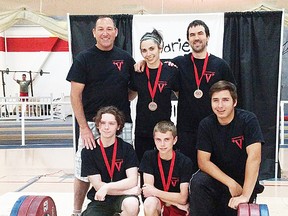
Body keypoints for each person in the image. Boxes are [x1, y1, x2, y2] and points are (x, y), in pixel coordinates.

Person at [135, 20, 236, 173]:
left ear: (208, 37)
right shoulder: (178, 63)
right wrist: (142, 61)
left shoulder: (220, 65)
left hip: (214, 128)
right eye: (192, 34)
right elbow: (155, 63)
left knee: (215, 170)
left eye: (200, 33)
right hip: (186, 131)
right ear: (188, 39)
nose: (196, 38)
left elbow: (232, 95)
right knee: (187, 172)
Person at [66, 16, 135, 216]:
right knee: (82, 171)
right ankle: (77, 211)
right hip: (91, 125)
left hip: (122, 124)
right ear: (94, 33)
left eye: (109, 29)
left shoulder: (125, 58)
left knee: (121, 168)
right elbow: (75, 95)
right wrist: (84, 128)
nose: (105, 33)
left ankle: (116, 207)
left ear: (116, 32)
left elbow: (132, 90)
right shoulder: (83, 59)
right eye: (100, 29)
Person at [189, 80, 264, 216]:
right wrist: (230, 183)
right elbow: (203, 162)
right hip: (219, 180)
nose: (220, 105)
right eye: (215, 100)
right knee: (198, 182)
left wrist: (245, 195)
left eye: (225, 100)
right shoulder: (206, 125)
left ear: (234, 102)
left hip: (242, 182)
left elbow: (254, 158)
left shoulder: (248, 120)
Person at [129, 29, 179, 162]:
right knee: (143, 168)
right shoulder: (138, 72)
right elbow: (131, 95)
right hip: (142, 131)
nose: (148, 53)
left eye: (152, 48)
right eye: (144, 50)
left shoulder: (171, 71)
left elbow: (181, 95)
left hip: (164, 132)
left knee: (165, 168)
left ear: (160, 48)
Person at [81, 106, 140, 216]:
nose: (106, 127)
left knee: (132, 204)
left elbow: (132, 181)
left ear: (118, 126)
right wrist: (127, 191)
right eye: (103, 123)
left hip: (122, 198)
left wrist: (107, 187)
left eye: (111, 123)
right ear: (98, 125)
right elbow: (98, 186)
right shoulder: (88, 151)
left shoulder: (127, 148)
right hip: (100, 198)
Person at [139, 121, 193, 216]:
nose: (162, 144)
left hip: (178, 209)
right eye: (158, 140)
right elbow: (148, 192)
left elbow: (183, 198)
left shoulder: (185, 161)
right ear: (154, 140)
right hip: (164, 204)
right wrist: (175, 202)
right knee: (150, 203)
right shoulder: (149, 156)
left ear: (175, 140)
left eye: (167, 139)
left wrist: (155, 191)